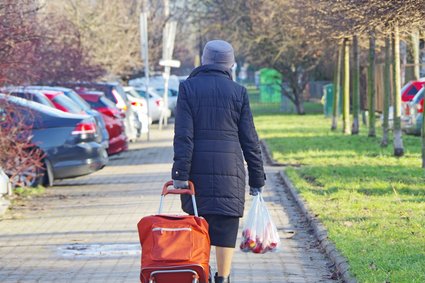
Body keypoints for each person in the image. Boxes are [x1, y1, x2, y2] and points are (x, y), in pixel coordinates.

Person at [172, 39, 265, 283]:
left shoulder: (188, 88)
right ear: (230, 64)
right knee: (225, 227)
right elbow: (250, 140)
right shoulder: (238, 92)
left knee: (199, 225)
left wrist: (180, 175)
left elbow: (183, 136)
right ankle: (222, 278)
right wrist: (257, 178)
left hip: (196, 172)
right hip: (230, 173)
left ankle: (200, 273)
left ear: (204, 60)